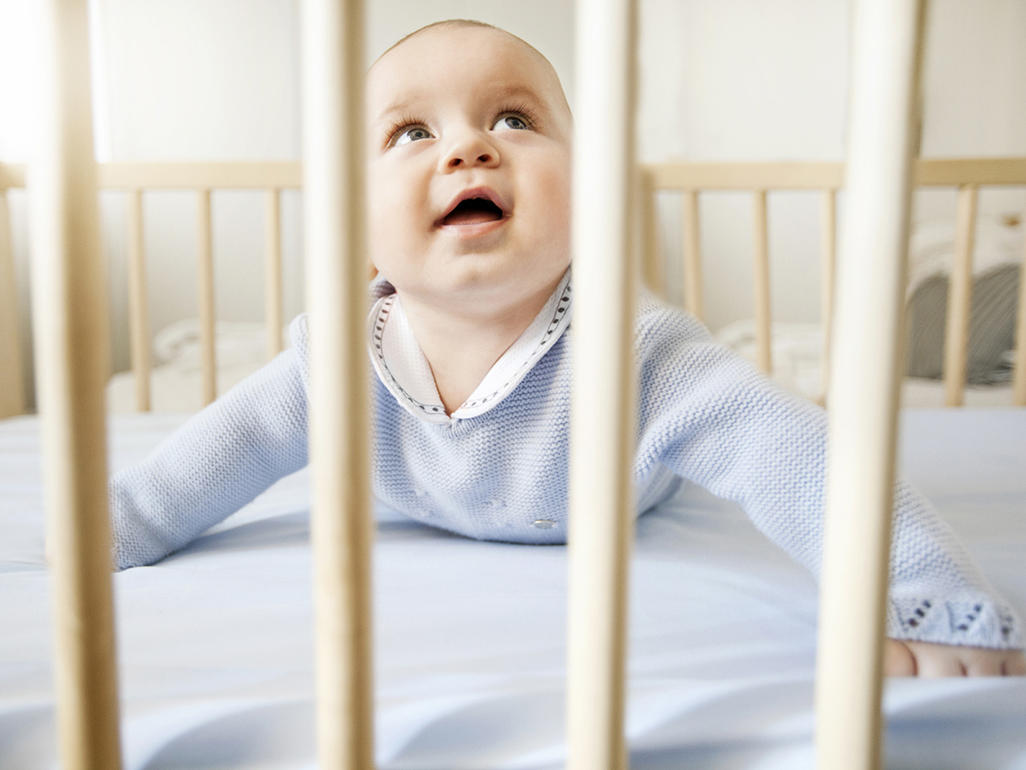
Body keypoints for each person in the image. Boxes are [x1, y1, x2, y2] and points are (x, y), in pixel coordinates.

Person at [109, 19, 1025, 677]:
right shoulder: (337, 361)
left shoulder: (642, 358)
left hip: (628, 486)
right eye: (411, 132)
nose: (468, 147)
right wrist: (105, 532)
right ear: (358, 232)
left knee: (754, 406)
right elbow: (209, 460)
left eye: (514, 119)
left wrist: (925, 588)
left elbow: (802, 461)